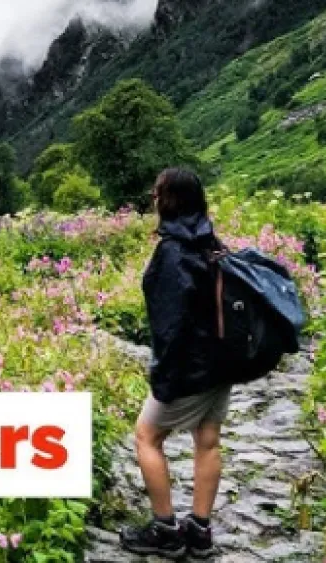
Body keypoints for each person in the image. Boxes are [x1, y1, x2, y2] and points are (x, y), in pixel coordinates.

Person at [120, 167, 228, 560]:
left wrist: (163, 376)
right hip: (221, 363)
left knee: (147, 435)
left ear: (169, 200)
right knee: (208, 439)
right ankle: (199, 531)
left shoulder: (172, 251)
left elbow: (172, 322)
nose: (152, 198)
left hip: (190, 367)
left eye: (157, 193)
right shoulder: (209, 240)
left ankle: (165, 529)